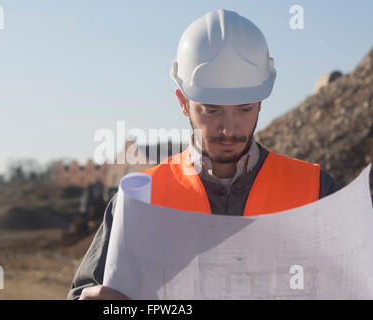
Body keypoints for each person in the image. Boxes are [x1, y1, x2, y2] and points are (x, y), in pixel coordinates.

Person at [68, 9, 340, 300]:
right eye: (212, 110)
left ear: (261, 101)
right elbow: (84, 292)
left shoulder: (315, 190)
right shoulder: (140, 198)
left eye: (244, 109)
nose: (228, 129)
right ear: (183, 103)